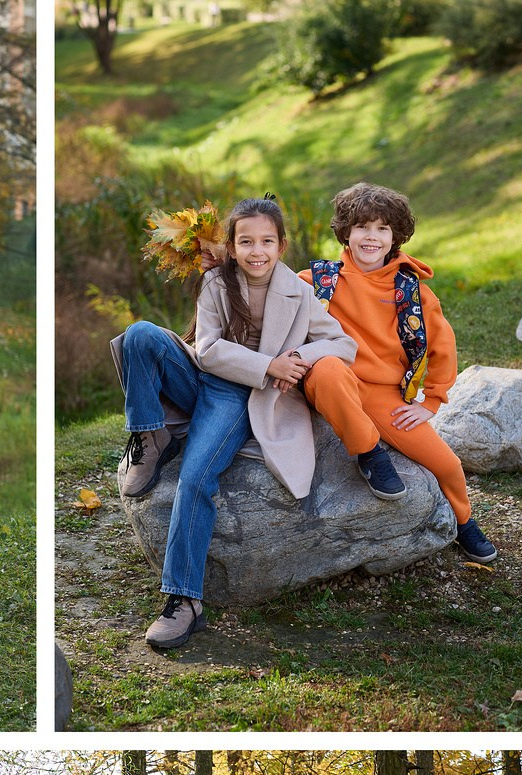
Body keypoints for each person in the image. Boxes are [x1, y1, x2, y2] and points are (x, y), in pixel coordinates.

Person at [112, 197, 358, 652]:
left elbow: (343, 344)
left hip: (242, 397)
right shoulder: (216, 282)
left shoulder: (298, 292)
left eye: (266, 241)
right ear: (232, 246)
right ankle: (150, 434)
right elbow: (206, 350)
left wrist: (295, 358)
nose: (256, 251)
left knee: (195, 478)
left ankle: (184, 600)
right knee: (140, 334)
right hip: (204, 377)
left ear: (281, 245)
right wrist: (267, 363)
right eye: (246, 242)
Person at [301, 182, 498, 564]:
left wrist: (431, 401)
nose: (371, 237)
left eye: (382, 228)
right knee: (327, 368)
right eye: (362, 227)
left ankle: (464, 522)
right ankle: (369, 453)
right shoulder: (317, 281)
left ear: (395, 237)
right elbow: (262, 287)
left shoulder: (412, 292)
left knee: (448, 464)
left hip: (383, 394)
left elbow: (443, 347)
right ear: (346, 232)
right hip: (333, 381)